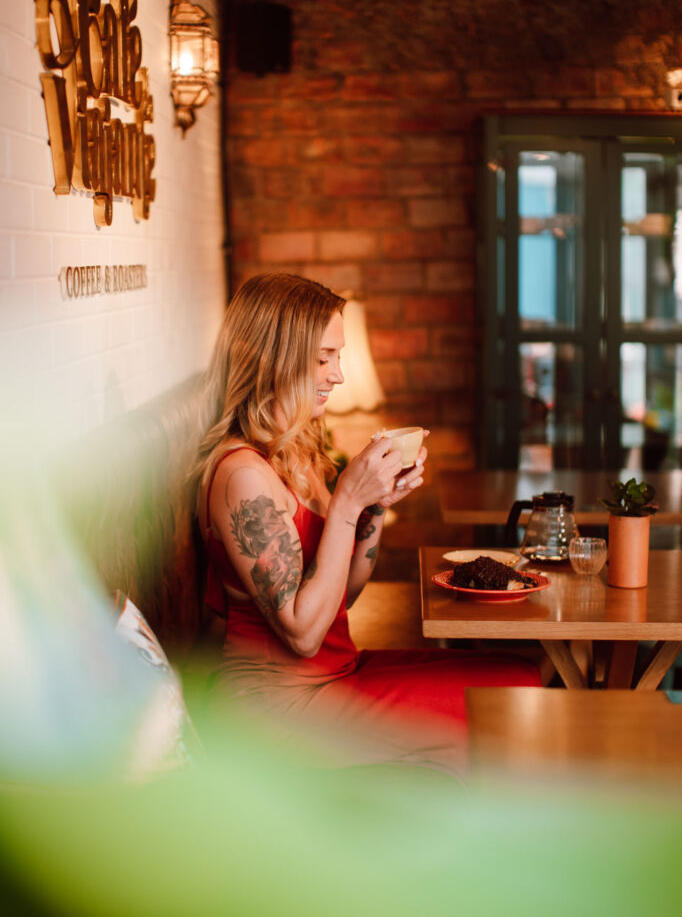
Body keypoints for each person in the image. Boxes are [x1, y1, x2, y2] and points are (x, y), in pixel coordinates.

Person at [191, 272, 540, 776]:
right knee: (511, 702)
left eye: (338, 357)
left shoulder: (293, 453)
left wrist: (375, 506)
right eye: (322, 358)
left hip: (336, 674)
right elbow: (303, 635)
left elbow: (341, 596)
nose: (337, 375)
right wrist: (349, 503)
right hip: (282, 707)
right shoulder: (242, 475)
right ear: (274, 359)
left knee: (518, 674)